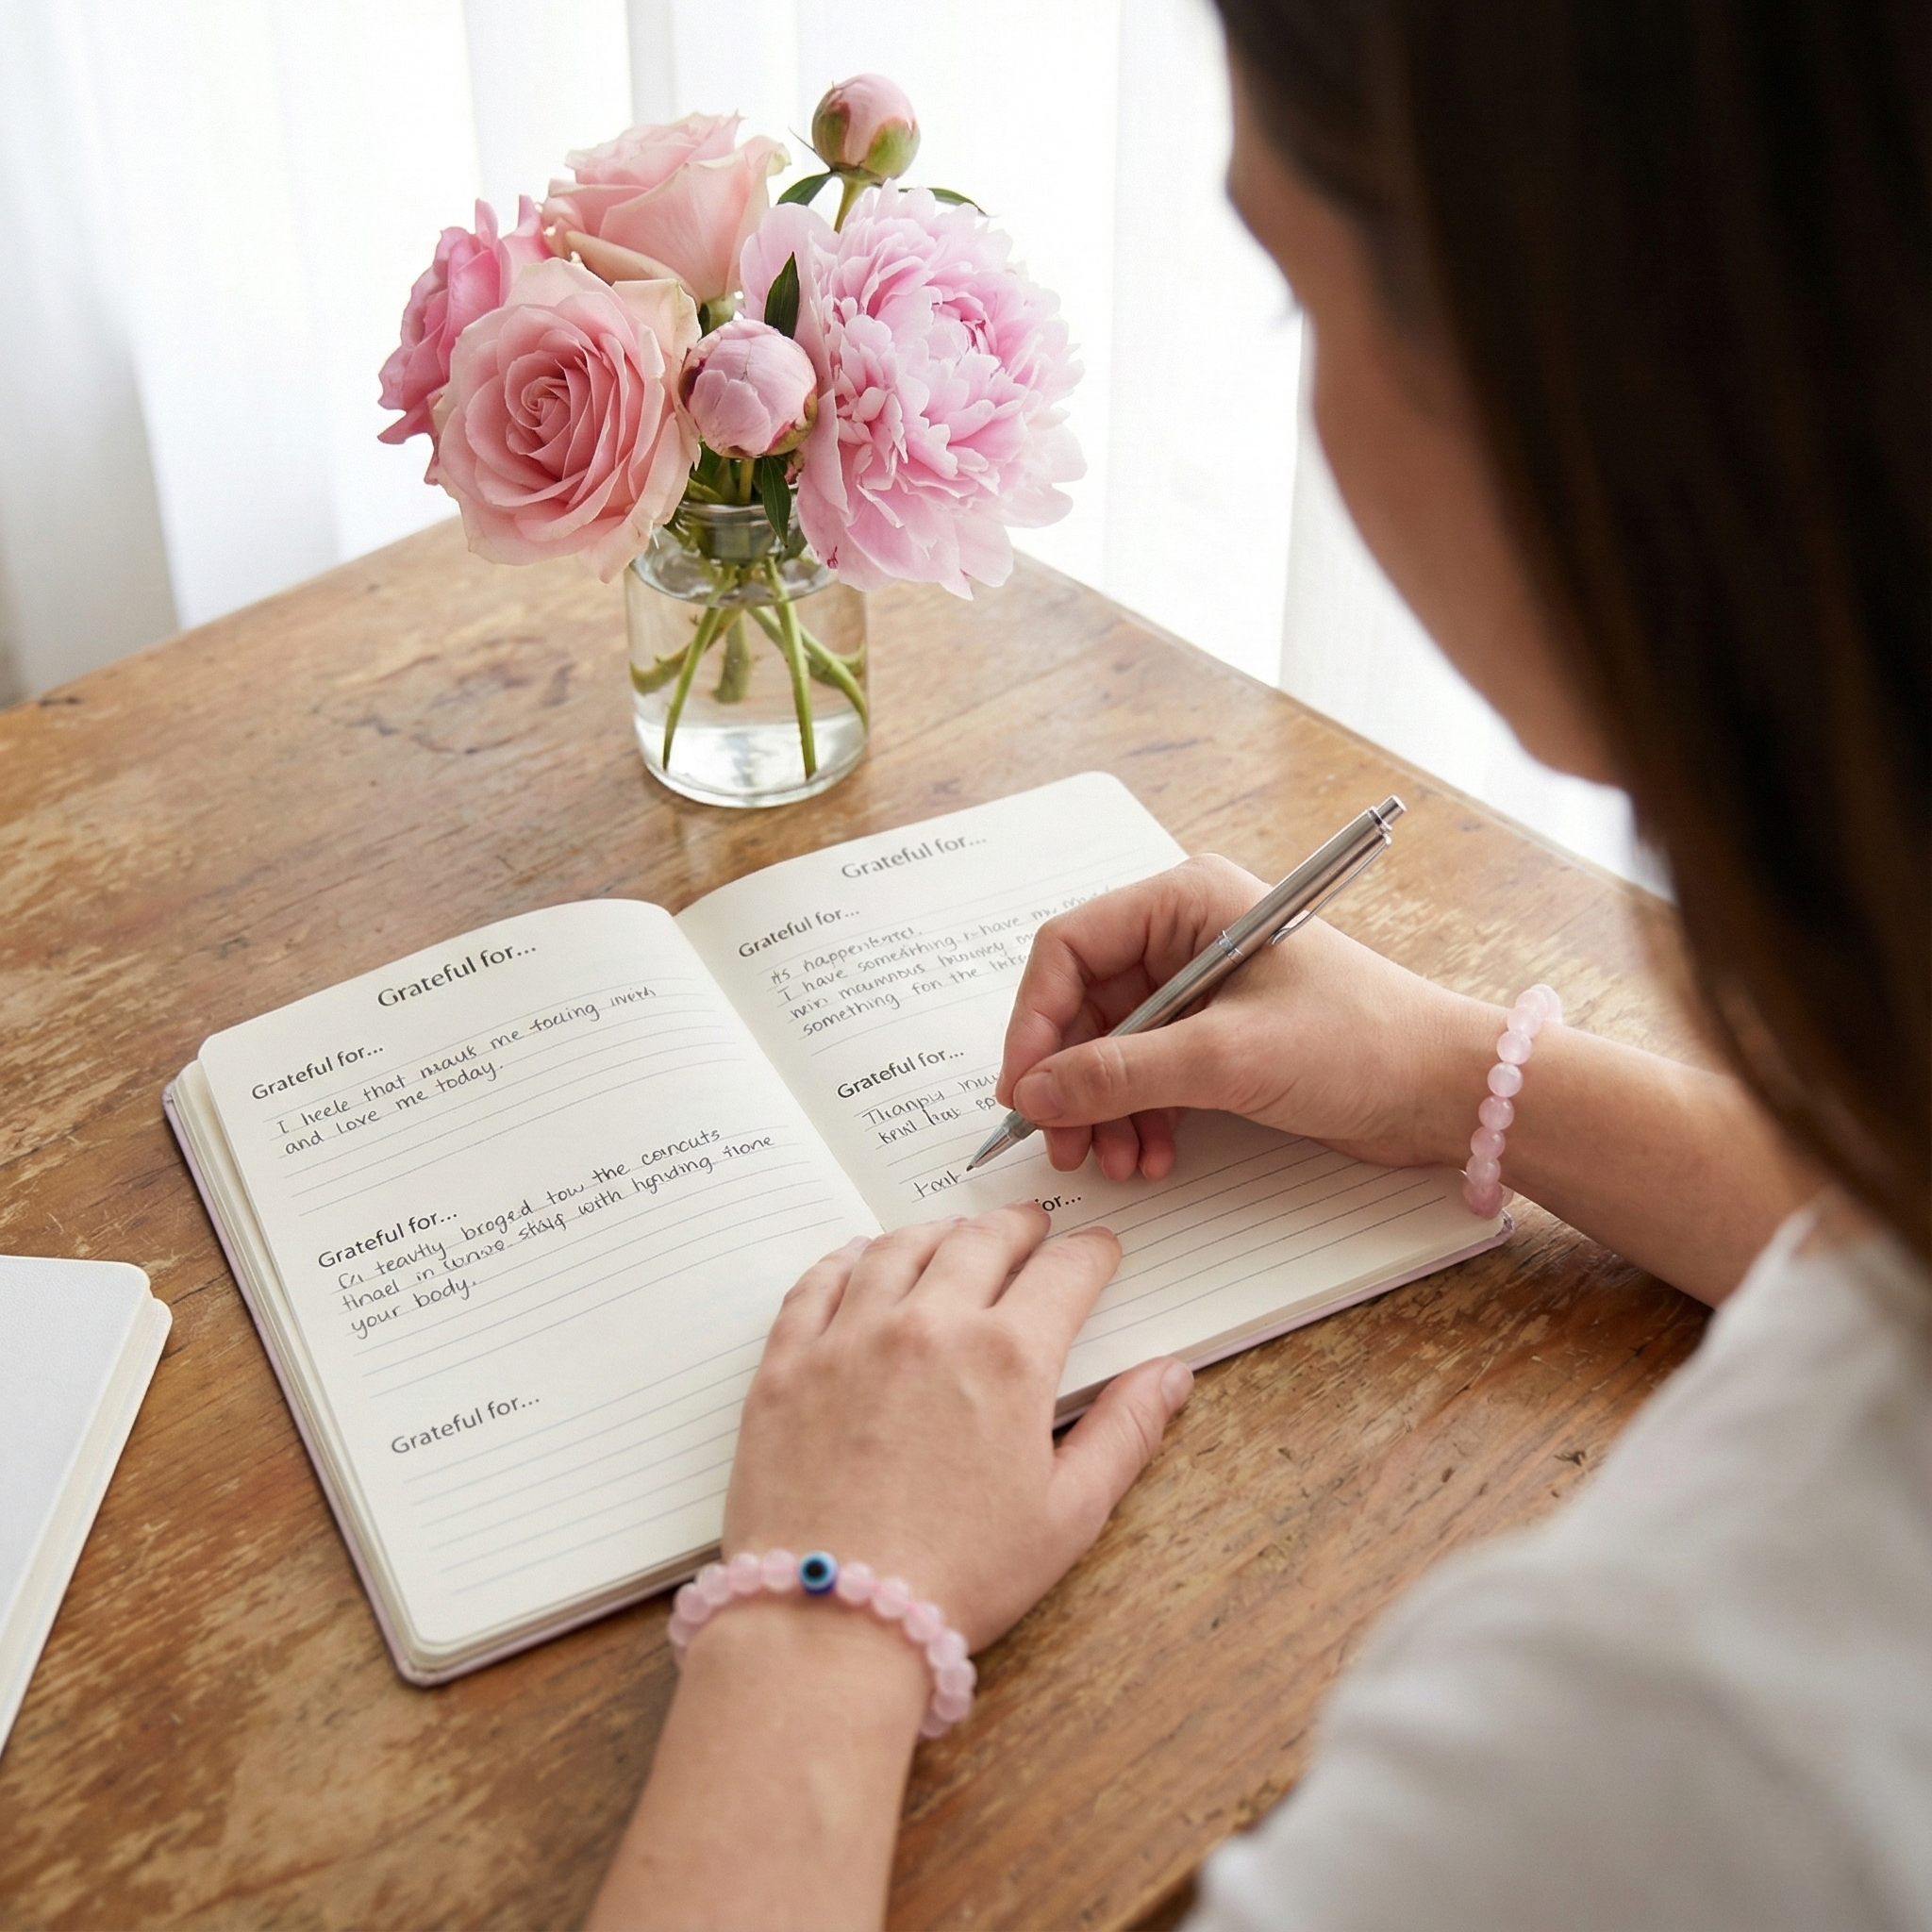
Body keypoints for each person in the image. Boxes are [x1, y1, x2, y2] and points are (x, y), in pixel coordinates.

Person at [589, 2, 1928, 1924]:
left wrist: (819, 1616)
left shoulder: (1675, 1741)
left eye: (1294, 294)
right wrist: (1478, 1074)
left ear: (1577, 379)